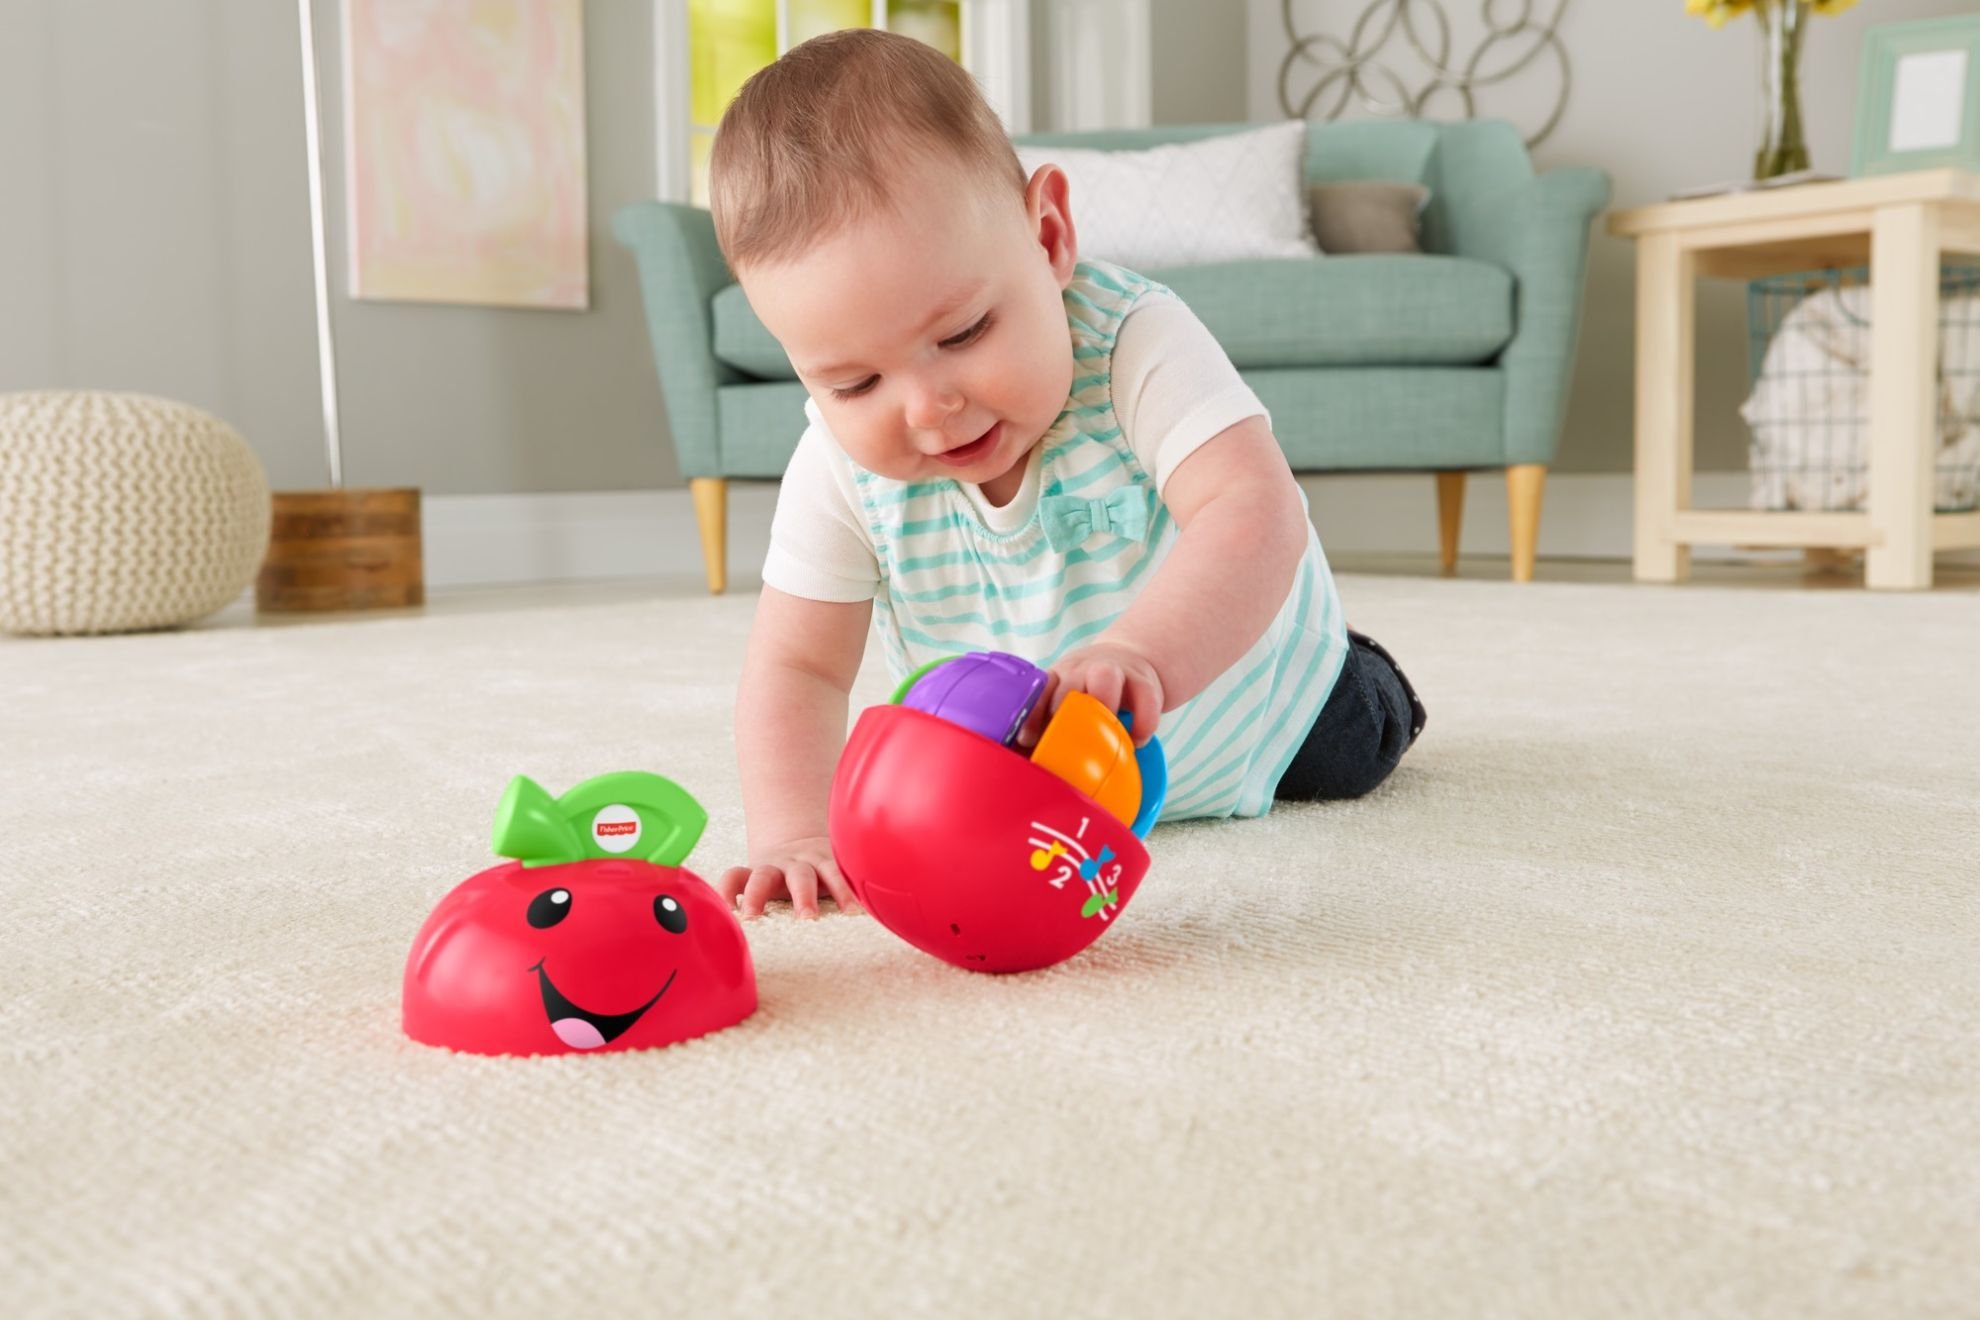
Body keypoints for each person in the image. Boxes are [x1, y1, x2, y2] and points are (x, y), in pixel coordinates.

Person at [707, 28, 1424, 918]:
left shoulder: (1131, 343)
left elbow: (1252, 508)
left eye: (964, 332)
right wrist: (793, 833)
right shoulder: (835, 466)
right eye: (854, 381)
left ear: (1047, 237)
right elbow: (797, 666)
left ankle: (1370, 670)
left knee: (1361, 736)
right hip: (1036, 772)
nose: (929, 408)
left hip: (1270, 717)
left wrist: (1141, 656)